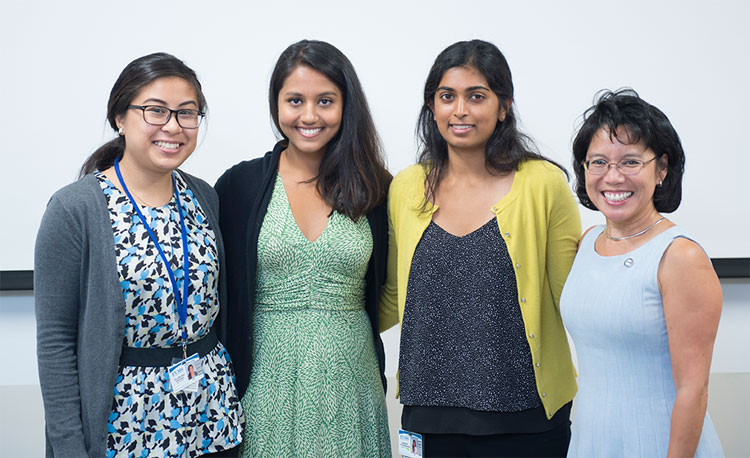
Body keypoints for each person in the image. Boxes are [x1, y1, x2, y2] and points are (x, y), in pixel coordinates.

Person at [34, 53, 242, 457]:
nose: (173, 126)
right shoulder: (75, 209)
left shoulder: (203, 195)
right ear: (119, 117)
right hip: (128, 426)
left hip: (212, 416)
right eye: (155, 111)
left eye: (187, 113)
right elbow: (55, 343)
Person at [379, 39, 581, 457]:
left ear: (503, 106)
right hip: (428, 417)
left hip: (528, 416)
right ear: (431, 107)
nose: (460, 110)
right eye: (447, 97)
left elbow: (573, 298)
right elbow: (395, 295)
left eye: (477, 96)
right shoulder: (406, 187)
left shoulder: (543, 184)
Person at [215, 39, 392, 457]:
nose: (309, 115)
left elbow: (393, 284)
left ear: (346, 106)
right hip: (263, 384)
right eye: (295, 100)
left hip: (352, 381)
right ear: (276, 104)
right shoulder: (238, 186)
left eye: (325, 101)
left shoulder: (377, 188)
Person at [561, 89, 724, 457]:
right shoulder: (587, 242)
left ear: (662, 168)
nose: (613, 177)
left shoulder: (680, 255)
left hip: (657, 444)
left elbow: (692, 391)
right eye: (598, 162)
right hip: (590, 441)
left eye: (631, 162)